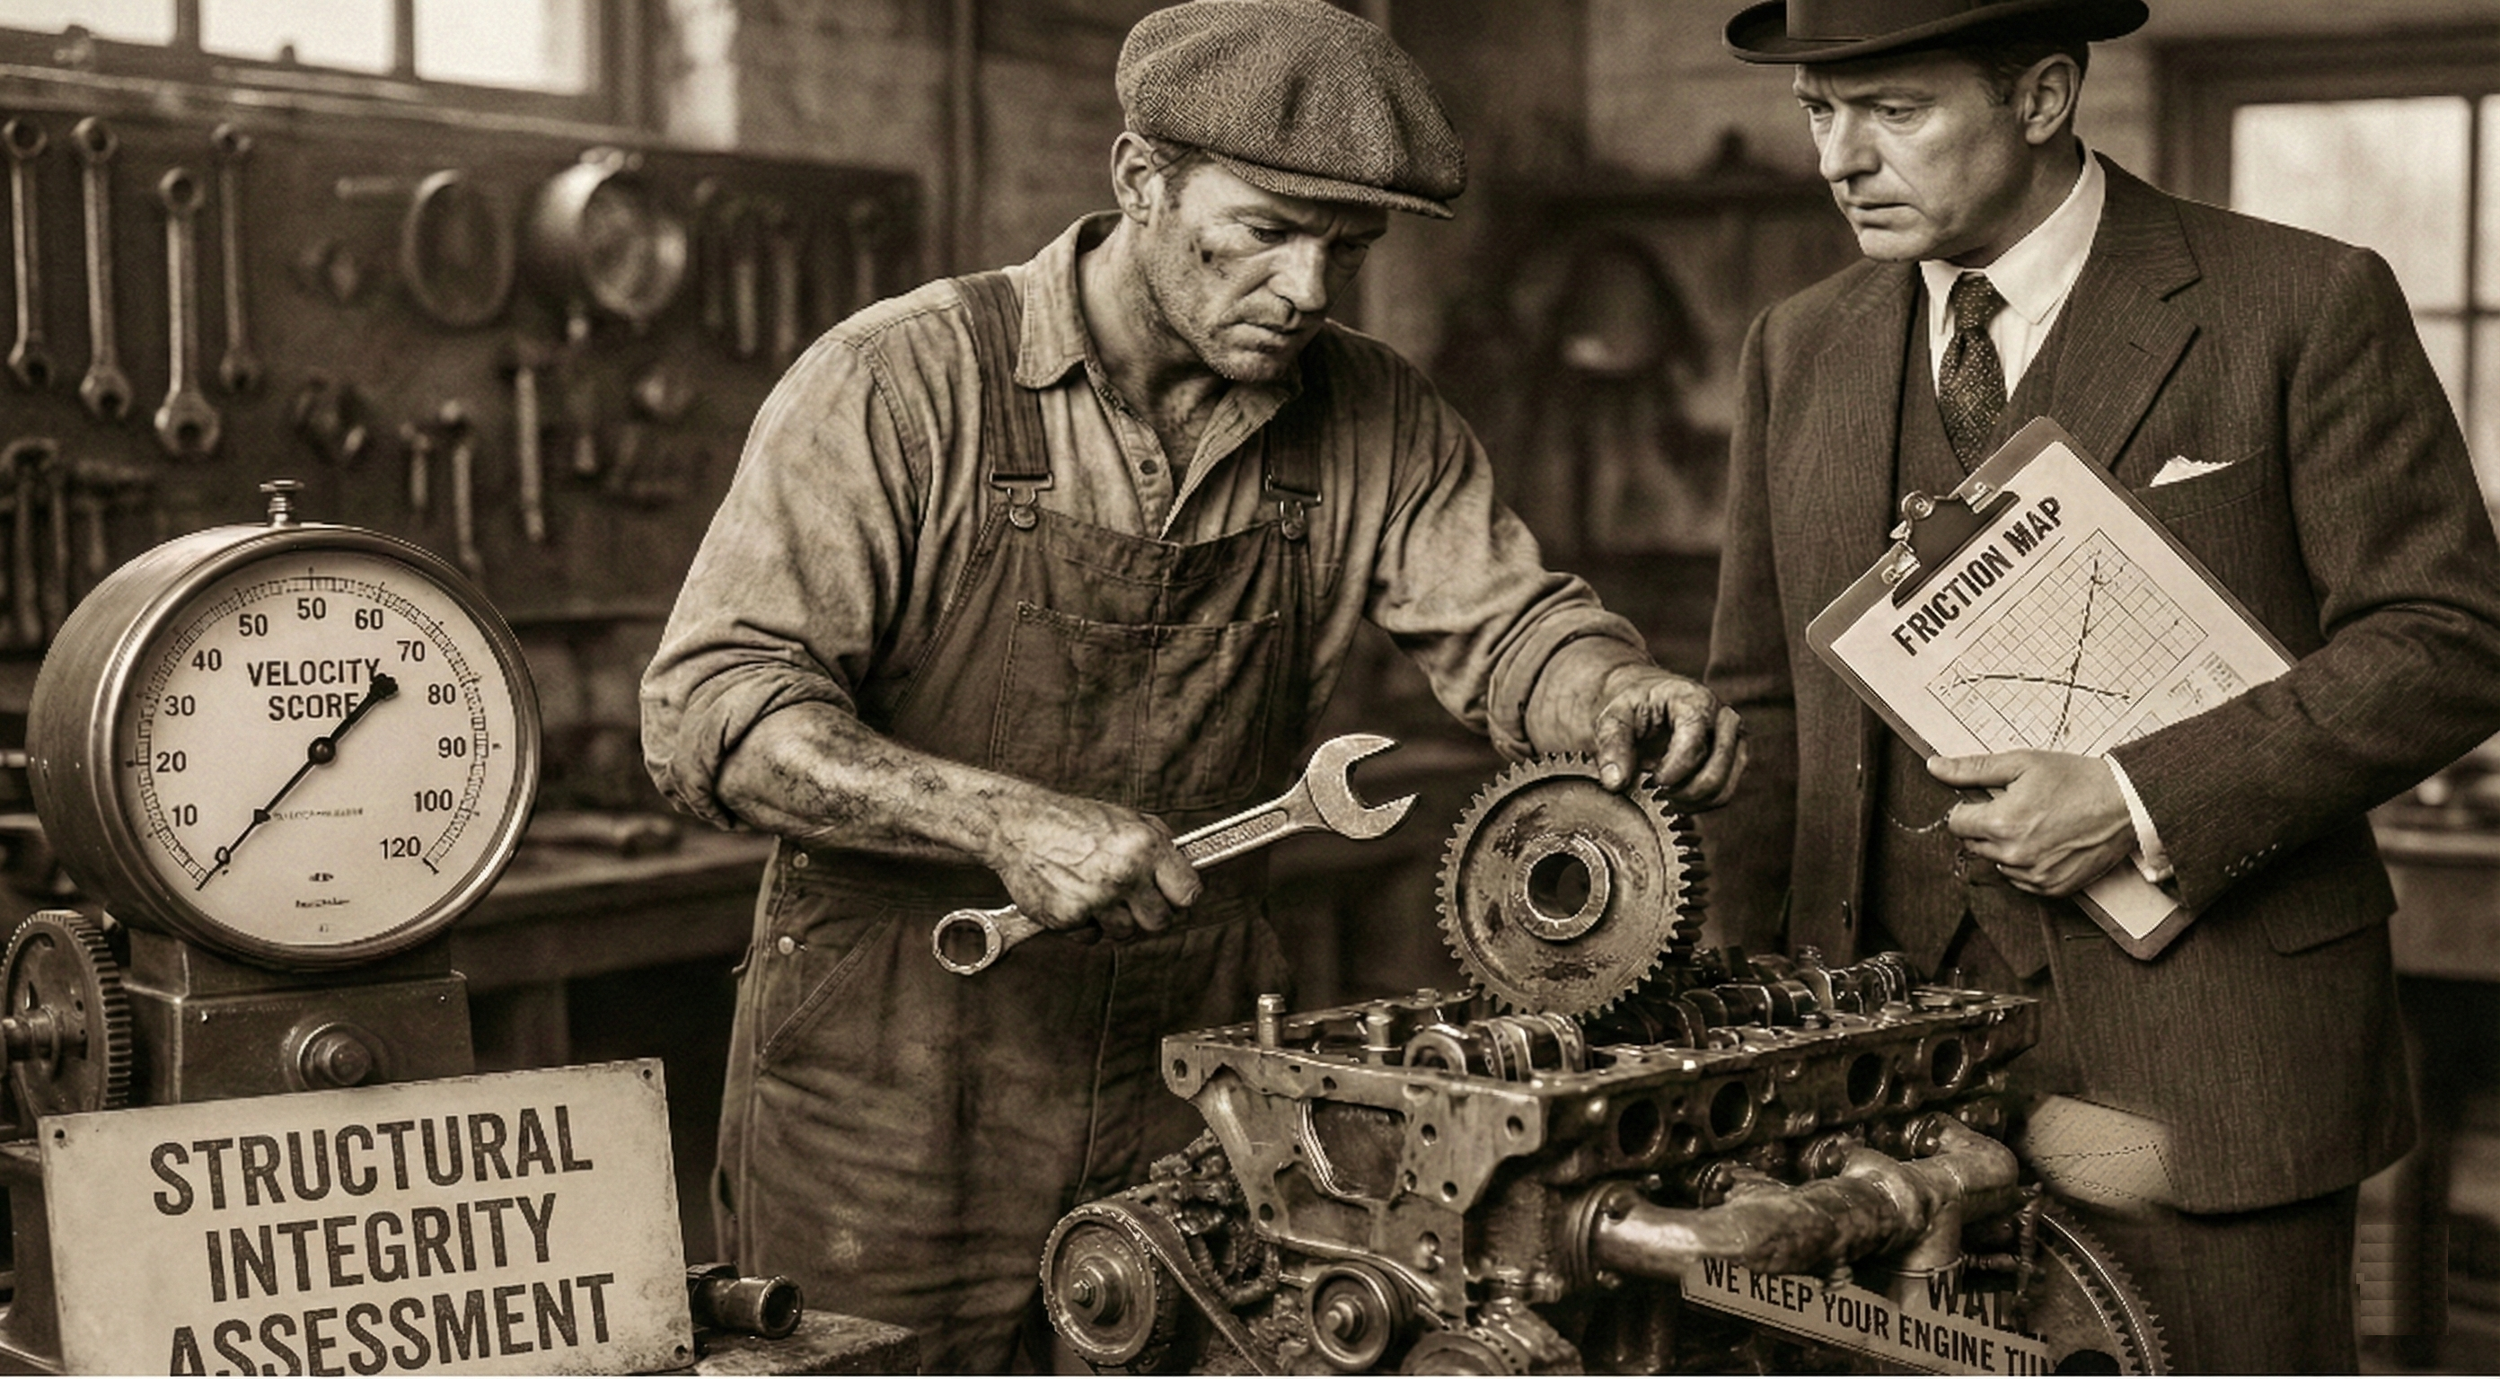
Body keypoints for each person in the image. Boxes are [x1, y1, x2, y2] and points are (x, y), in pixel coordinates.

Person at [639, 0, 1744, 1368]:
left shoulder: (1372, 417)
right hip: (893, 1089)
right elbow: (710, 715)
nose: (1307, 292)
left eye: (1346, 249)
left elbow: (1512, 631)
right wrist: (1001, 821)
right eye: (1264, 234)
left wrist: (1610, 690)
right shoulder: (903, 383)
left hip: (1203, 1075)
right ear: (1136, 182)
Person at [1700, 0, 2500, 1370]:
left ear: (2044, 97)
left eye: (1894, 113)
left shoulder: (2301, 301)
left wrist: (2138, 798)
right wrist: (1728, 1035)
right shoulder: (1799, 343)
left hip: (2203, 1071)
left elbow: (2447, 634)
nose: (1840, 158)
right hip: (1866, 1084)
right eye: (1820, 113)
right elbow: (1764, 709)